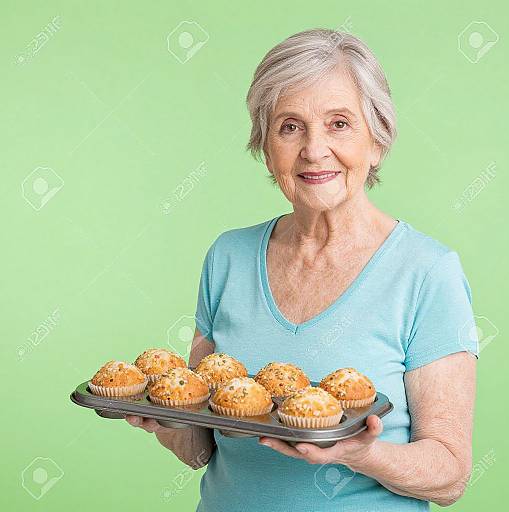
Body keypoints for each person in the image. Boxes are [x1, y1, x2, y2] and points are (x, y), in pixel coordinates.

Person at [126, 28, 479, 511]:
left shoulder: (427, 272)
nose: (314, 150)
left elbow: (450, 475)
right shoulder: (228, 257)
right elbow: (201, 449)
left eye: (339, 124)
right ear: (266, 149)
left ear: (376, 141)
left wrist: (362, 454)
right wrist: (167, 420)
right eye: (290, 126)